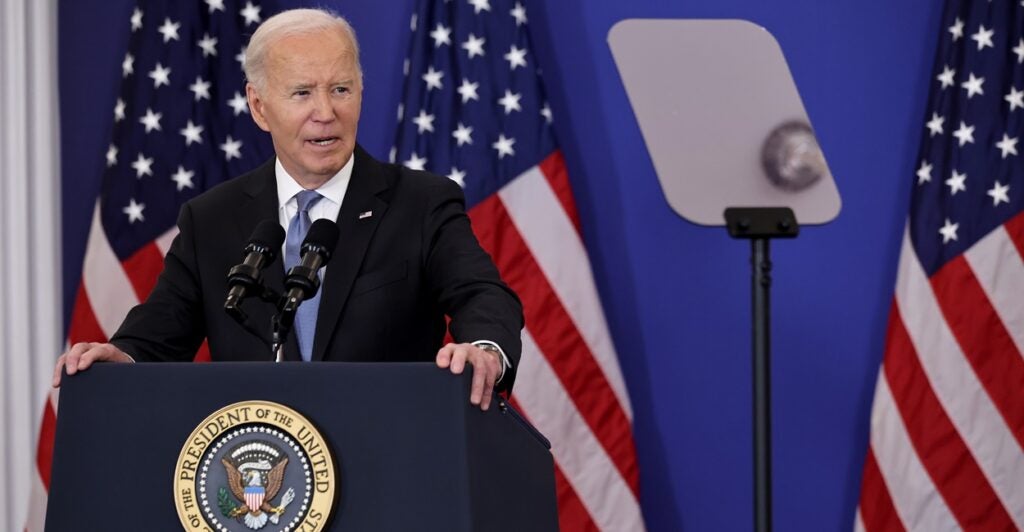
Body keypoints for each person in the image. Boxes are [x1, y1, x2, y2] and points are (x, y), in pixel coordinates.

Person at [52, 8, 523, 411]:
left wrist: (484, 350)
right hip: (259, 477)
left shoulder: (419, 202)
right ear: (259, 107)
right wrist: (120, 359)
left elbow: (484, 295)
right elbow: (157, 334)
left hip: (389, 464)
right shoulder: (211, 219)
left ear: (360, 91)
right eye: (302, 93)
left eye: (340, 89)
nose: (325, 111)